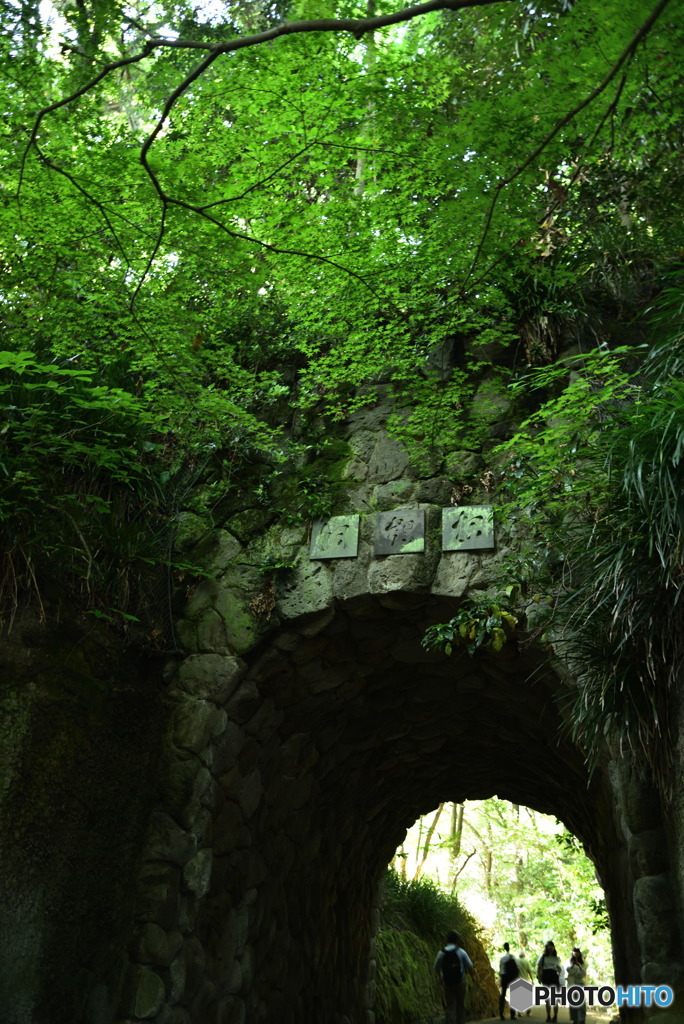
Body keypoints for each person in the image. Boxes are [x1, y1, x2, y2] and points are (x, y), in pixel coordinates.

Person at [433, 930, 475, 1024]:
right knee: (460, 1005)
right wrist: (473, 977)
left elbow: (436, 968)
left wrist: (440, 978)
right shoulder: (461, 951)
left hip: (447, 982)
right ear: (456, 941)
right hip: (460, 981)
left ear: (447, 940)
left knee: (450, 1005)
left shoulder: (441, 952)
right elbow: (470, 966)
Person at [537, 940, 563, 1023]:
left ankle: (555, 1016)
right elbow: (539, 968)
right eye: (548, 946)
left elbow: (559, 968)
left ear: (554, 947)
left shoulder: (557, 958)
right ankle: (548, 1016)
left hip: (554, 977)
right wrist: (540, 977)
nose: (550, 947)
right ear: (546, 947)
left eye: (551, 946)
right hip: (546, 976)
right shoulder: (543, 957)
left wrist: (559, 973)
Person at [499, 942, 521, 1020]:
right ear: (509, 947)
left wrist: (501, 977)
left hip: (504, 977)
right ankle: (512, 1014)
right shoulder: (513, 957)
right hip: (512, 978)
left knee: (503, 995)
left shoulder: (502, 958)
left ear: (504, 948)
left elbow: (500, 969)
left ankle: (501, 1014)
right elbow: (517, 968)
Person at [566, 948, 587, 1024]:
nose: (576, 954)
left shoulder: (583, 963)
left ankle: (582, 1019)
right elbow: (568, 970)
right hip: (571, 983)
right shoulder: (569, 962)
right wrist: (573, 967)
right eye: (574, 952)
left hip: (580, 983)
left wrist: (579, 966)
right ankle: (575, 1019)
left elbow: (583, 974)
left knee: (581, 1003)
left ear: (579, 953)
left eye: (577, 952)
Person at [517, 951, 535, 1017]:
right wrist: (532, 979)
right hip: (525, 980)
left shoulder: (516, 961)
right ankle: (528, 1012)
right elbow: (529, 971)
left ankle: (519, 1012)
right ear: (524, 955)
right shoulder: (526, 961)